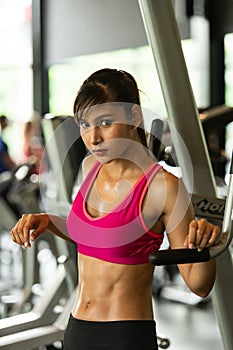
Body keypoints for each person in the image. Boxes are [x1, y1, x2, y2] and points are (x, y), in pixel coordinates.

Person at [10, 69, 220, 350]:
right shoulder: (90, 168)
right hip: (77, 328)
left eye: (105, 122)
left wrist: (205, 244)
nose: (93, 137)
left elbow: (199, 285)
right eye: (84, 124)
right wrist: (48, 221)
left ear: (134, 117)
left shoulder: (163, 187)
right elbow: (95, 237)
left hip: (124, 336)